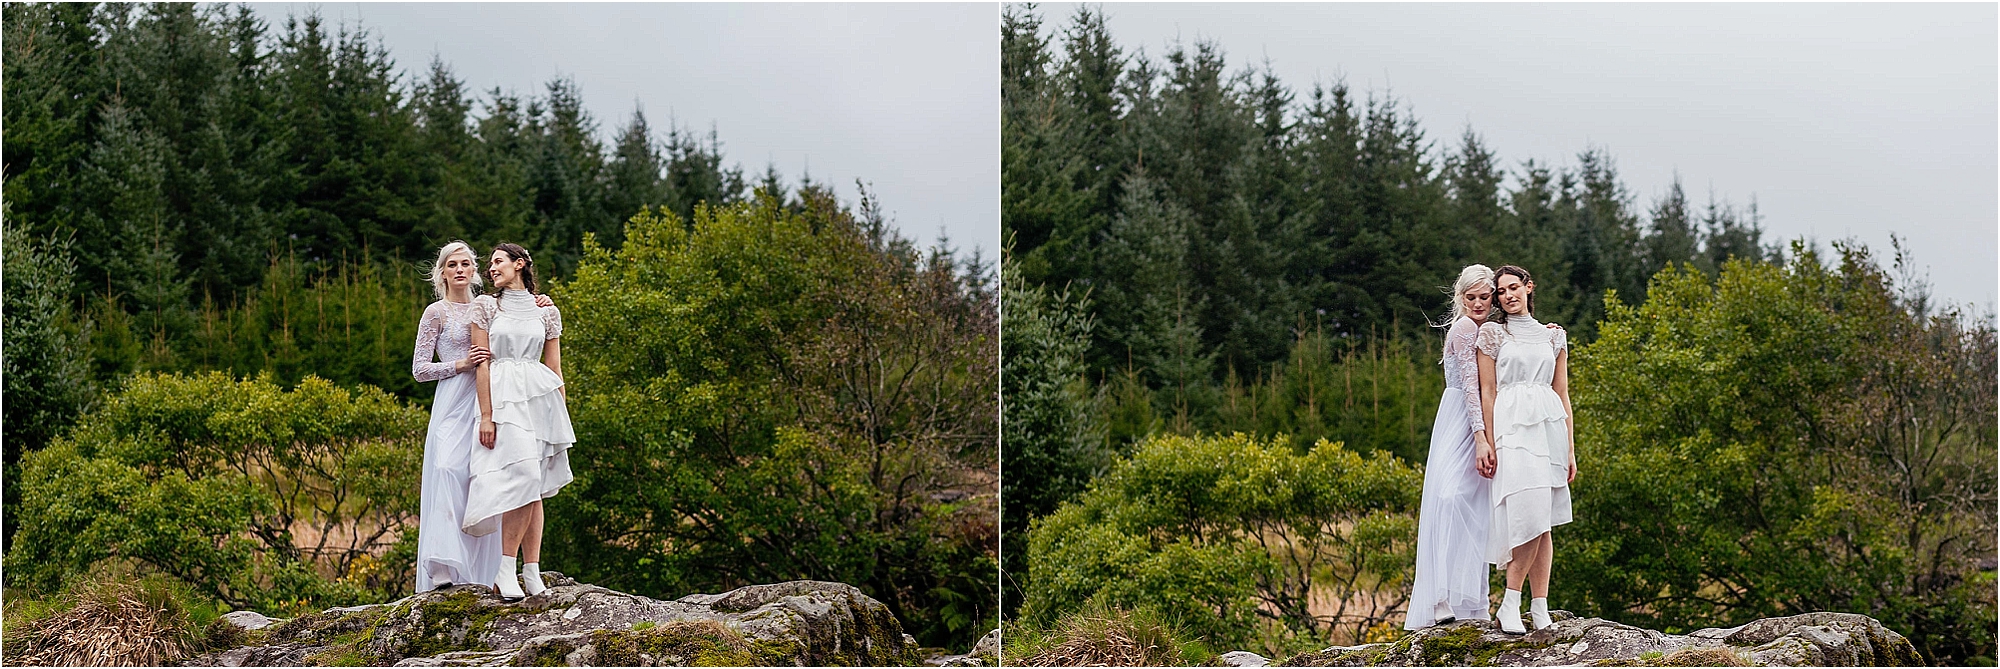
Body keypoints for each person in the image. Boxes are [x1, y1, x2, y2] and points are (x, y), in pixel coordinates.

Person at [409, 241, 549, 593]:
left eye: (466, 264)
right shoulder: (435, 312)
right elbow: (419, 369)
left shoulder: (490, 306)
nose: (459, 269)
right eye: (451, 264)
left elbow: (521, 321)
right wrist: (461, 363)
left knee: (483, 480)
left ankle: (483, 571)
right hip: (453, 398)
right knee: (446, 471)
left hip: (494, 395)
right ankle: (443, 564)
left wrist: (539, 303)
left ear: (474, 271)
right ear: (442, 272)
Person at [466, 242, 575, 601]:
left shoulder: (547, 312)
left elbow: (555, 367)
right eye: (491, 264)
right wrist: (486, 415)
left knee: (537, 485)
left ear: (520, 264)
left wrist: (562, 413)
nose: (491, 269)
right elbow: (482, 363)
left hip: (539, 398)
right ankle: (504, 566)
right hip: (502, 397)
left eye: (498, 262)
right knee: (525, 476)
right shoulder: (486, 306)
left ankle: (531, 570)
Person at [1475, 265, 1577, 634]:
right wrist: (1485, 439)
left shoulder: (1554, 337)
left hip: (1548, 429)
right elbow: (1488, 391)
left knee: (1544, 521)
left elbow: (1562, 392)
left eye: (1514, 288)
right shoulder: (1492, 333)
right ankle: (1509, 601)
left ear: (1528, 288)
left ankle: (1540, 606)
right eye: (1501, 292)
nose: (1508, 296)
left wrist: (1570, 447)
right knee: (1528, 511)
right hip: (1512, 429)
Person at [1405, 264, 1499, 629]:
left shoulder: (1490, 330)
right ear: (1461, 298)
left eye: (1484, 297)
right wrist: (1480, 437)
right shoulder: (1463, 329)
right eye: (1470, 297)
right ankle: (1440, 595)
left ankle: (1473, 600)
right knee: (1449, 498)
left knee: (1476, 506)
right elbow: (1472, 388)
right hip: (1461, 416)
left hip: (1482, 418)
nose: (1477, 303)